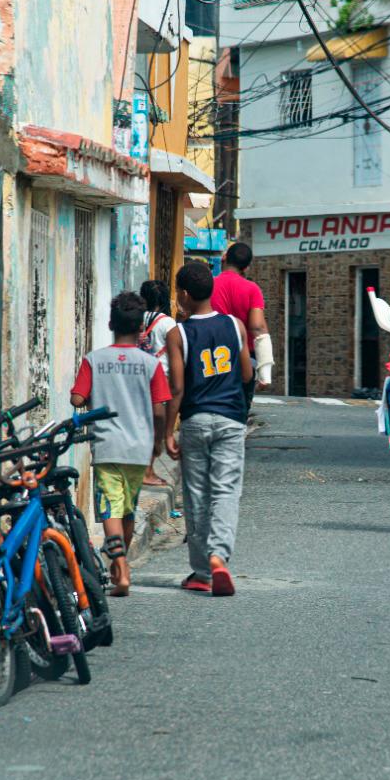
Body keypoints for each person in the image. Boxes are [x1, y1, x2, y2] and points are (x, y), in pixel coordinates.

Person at [70, 291, 171, 596]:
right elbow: (158, 409)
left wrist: (85, 398)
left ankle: (121, 566)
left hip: (107, 445)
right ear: (141, 329)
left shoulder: (94, 360)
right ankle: (119, 566)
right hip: (139, 448)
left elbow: (77, 397)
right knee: (127, 509)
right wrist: (158, 442)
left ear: (111, 323)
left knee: (110, 509)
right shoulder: (150, 364)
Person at [165, 261, 253, 597]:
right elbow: (246, 375)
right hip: (231, 419)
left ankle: (201, 571)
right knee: (226, 491)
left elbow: (177, 389)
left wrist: (167, 433)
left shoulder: (179, 333)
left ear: (184, 295)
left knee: (197, 495)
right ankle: (219, 556)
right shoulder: (235, 325)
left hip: (196, 420)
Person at [211, 243, 272, 407]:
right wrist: (265, 372)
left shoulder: (209, 285)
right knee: (240, 408)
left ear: (224, 258)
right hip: (244, 360)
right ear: (246, 267)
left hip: (212, 356)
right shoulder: (252, 289)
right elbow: (258, 327)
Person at [138, 279, 177, 486]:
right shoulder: (168, 323)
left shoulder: (135, 319)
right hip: (159, 379)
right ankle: (148, 469)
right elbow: (174, 355)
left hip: (136, 377)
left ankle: (143, 469)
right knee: (156, 426)